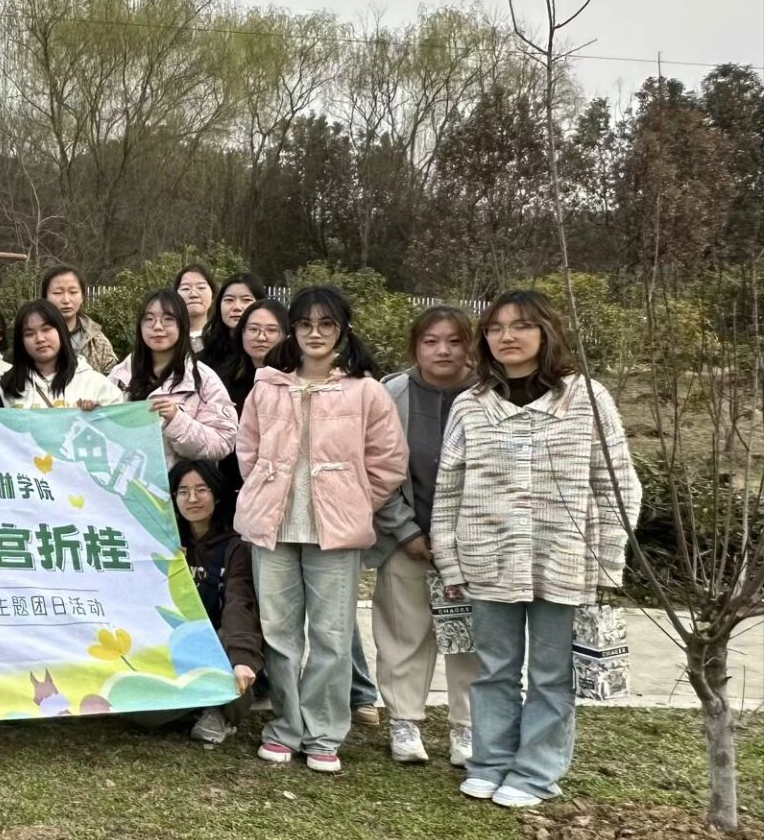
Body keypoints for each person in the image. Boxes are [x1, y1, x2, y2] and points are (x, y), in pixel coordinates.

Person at [437, 290, 641, 809]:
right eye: (495, 328)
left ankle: (535, 773)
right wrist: (450, 559)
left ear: (546, 331)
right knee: (494, 670)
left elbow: (617, 484)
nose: (506, 337)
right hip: (488, 559)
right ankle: (491, 762)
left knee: (552, 675)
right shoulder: (471, 403)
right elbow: (449, 488)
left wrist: (608, 560)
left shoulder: (587, 399)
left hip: (565, 558)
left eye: (521, 326)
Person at [234, 285, 407, 774]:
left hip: (336, 532)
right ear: (293, 330)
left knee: (331, 635)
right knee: (280, 633)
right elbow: (248, 450)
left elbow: (388, 462)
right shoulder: (267, 387)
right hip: (274, 528)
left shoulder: (366, 392)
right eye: (306, 324)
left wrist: (353, 501)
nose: (315, 333)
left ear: (342, 330)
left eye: (326, 324)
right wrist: (267, 489)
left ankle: (324, 732)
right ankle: (286, 726)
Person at [368, 307, 482, 768]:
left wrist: (467, 535)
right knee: (403, 630)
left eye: (454, 341)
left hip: (475, 541)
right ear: (415, 346)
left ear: (470, 346)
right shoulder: (391, 393)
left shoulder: (490, 393)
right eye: (431, 341)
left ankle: (468, 726)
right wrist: (406, 529)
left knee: (470, 636)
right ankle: (404, 720)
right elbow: (373, 466)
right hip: (406, 536)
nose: (443, 351)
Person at [170, 460, 264, 747]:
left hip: (221, 641)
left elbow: (239, 602)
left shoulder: (236, 546)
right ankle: (196, 704)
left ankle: (221, 712)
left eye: (202, 490)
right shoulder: (168, 542)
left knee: (228, 645)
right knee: (145, 717)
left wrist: (242, 657)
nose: (192, 499)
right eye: (183, 492)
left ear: (218, 495)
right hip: (178, 643)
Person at [109, 292, 238, 461]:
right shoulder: (121, 375)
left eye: (168, 319)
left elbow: (223, 442)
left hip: (178, 477)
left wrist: (177, 421)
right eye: (149, 319)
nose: (157, 327)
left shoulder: (202, 379)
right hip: (126, 475)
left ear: (182, 325)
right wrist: (91, 408)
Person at [0, 300, 123, 409]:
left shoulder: (94, 384)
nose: (40, 338)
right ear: (21, 342)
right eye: (29, 334)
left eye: (46, 329)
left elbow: (118, 420)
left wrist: (99, 415)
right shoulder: (7, 387)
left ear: (61, 332)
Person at [40, 265, 118, 374]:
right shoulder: (35, 337)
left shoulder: (97, 341)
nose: (66, 300)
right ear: (45, 297)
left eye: (73, 292)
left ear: (82, 297)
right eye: (58, 293)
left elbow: (112, 379)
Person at [220, 298, 288, 411]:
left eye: (271, 330)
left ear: (286, 335)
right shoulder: (224, 379)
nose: (261, 337)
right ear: (242, 332)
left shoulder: (294, 380)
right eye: (253, 329)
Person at [203, 272, 266, 373]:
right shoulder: (205, 356)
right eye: (229, 300)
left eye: (246, 300)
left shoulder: (271, 354)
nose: (237, 307)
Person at [175, 263, 220, 356]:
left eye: (201, 288)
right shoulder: (167, 337)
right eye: (185, 289)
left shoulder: (223, 337)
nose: (193, 294)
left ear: (213, 296)